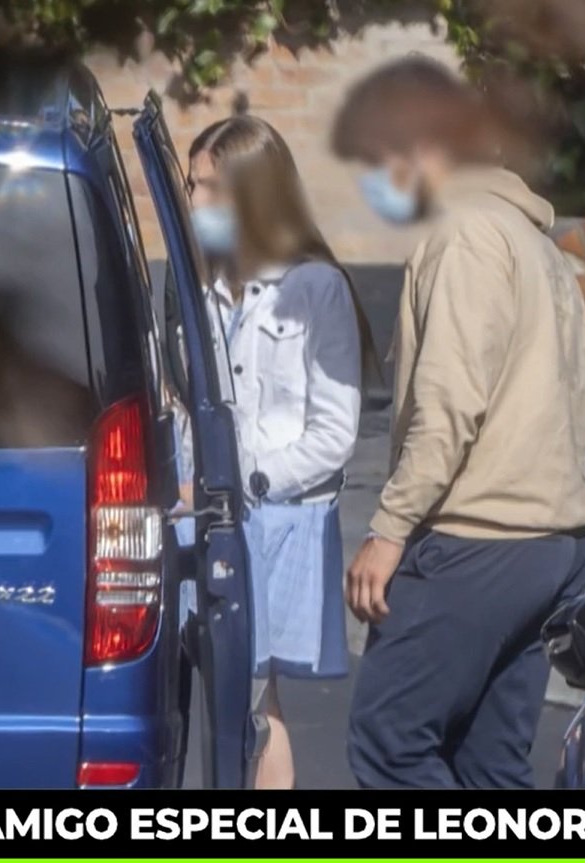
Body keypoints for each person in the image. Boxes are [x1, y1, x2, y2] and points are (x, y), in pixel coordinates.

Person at [330, 57, 585, 789]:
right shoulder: (535, 247)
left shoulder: (465, 236)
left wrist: (388, 529)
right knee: (490, 769)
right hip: (550, 543)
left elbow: (449, 401)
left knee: (389, 742)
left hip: (479, 538)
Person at [186, 115, 374, 789]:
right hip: (214, 515)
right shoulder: (203, 288)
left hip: (281, 519)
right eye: (190, 184)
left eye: (210, 187)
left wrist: (246, 481)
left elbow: (332, 431)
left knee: (259, 697)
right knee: (226, 694)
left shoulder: (314, 288)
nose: (195, 202)